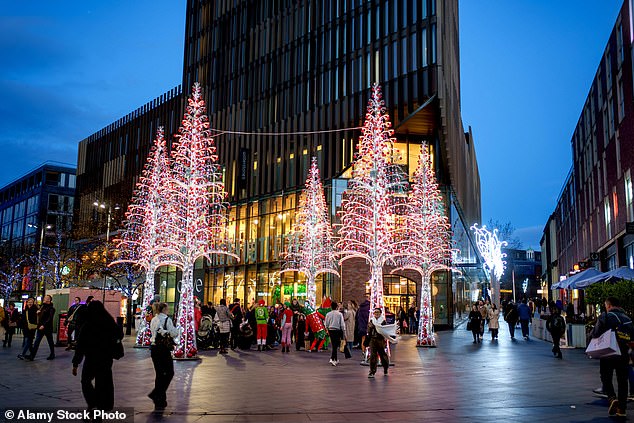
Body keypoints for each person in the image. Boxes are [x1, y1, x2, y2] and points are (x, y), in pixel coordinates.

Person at [71, 300, 123, 412]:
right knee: (103, 382)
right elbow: (119, 334)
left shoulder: (88, 324)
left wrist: (76, 363)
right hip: (106, 358)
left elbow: (80, 345)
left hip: (91, 358)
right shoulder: (109, 322)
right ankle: (103, 404)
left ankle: (92, 402)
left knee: (85, 380)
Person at [591, 297, 634, 417]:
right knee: (622, 380)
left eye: (606, 305)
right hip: (624, 353)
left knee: (605, 376)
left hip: (608, 352)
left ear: (609, 305)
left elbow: (595, 333)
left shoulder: (605, 316)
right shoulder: (628, 319)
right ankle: (622, 409)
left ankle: (611, 398)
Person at [149, 302, 179, 409]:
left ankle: (160, 400)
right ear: (164, 309)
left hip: (154, 348)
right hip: (163, 349)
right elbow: (174, 333)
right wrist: (175, 331)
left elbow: (153, 332)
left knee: (159, 374)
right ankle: (156, 394)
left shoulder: (153, 319)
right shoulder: (167, 319)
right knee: (170, 372)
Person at [27, 294, 56, 361]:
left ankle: (52, 354)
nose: (44, 299)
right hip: (40, 327)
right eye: (44, 298)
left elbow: (50, 318)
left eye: (46, 298)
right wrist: (38, 313)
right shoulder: (42, 307)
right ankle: (32, 356)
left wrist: (44, 325)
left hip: (47, 328)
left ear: (49, 300)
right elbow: (41, 316)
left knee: (50, 341)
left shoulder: (51, 308)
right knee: (37, 341)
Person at [366, 308, 390, 378]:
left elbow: (384, 330)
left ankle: (385, 367)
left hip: (380, 340)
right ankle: (372, 371)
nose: (376, 314)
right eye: (375, 312)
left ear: (380, 313)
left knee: (382, 355)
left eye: (377, 312)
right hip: (373, 340)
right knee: (373, 356)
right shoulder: (371, 320)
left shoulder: (383, 321)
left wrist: (374, 327)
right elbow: (369, 331)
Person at [324, 301, 346, 366]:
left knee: (334, 345)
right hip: (337, 330)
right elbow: (342, 324)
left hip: (331, 330)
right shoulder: (339, 314)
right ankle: (334, 359)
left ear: (331, 307)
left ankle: (333, 358)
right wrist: (343, 331)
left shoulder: (328, 314)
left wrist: (327, 329)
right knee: (335, 346)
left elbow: (326, 324)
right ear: (337, 307)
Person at [356, 295, 370, 362]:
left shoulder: (361, 308)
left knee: (363, 340)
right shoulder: (370, 307)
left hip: (362, 326)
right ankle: (369, 353)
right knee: (370, 340)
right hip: (369, 326)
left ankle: (364, 352)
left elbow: (358, 318)